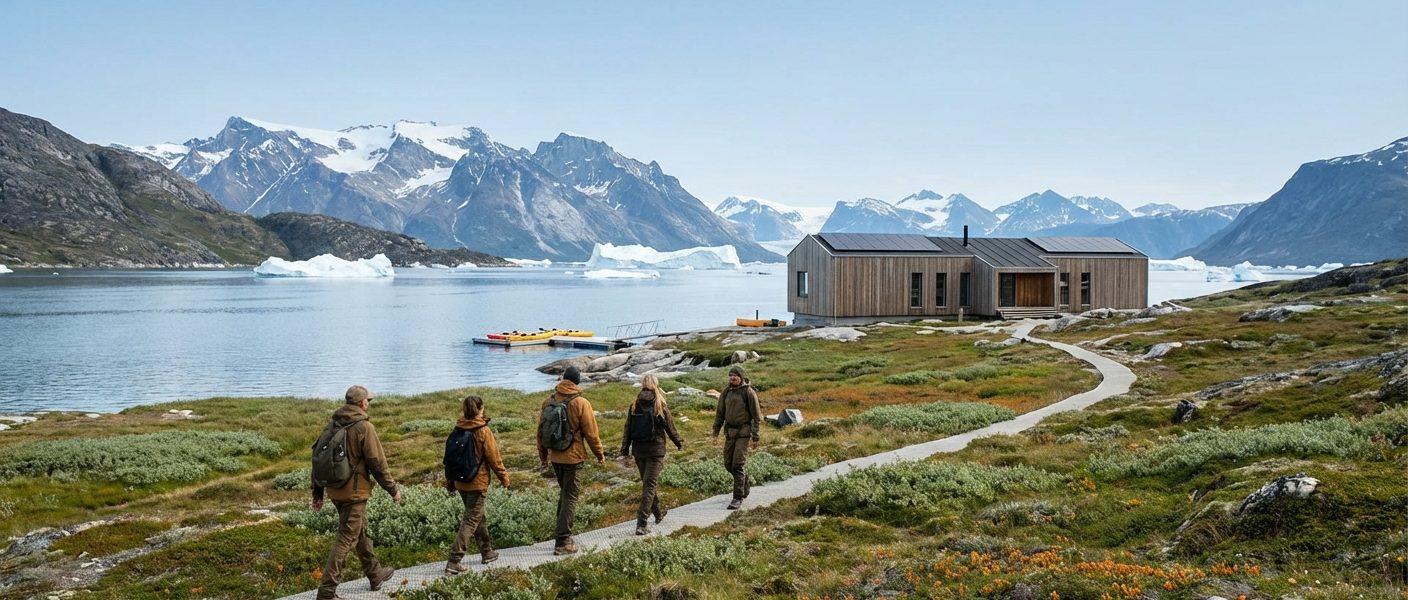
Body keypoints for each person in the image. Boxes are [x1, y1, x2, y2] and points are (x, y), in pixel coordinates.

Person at [312, 385, 400, 600]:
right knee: (345, 539)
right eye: (367, 400)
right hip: (354, 493)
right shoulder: (363, 427)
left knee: (360, 533)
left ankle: (374, 574)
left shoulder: (333, 423)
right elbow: (377, 463)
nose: (368, 402)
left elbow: (317, 459)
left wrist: (318, 492)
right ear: (362, 403)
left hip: (335, 490)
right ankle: (326, 592)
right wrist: (393, 490)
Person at [536, 366, 605, 555]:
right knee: (570, 497)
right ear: (578, 381)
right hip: (573, 457)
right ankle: (563, 541)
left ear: (563, 379)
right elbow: (592, 434)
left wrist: (543, 456)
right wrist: (599, 454)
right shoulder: (581, 403)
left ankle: (560, 535)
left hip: (555, 457)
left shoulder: (548, 401)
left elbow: (540, 432)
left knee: (565, 494)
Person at [443, 395, 511, 573]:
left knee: (477, 516)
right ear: (480, 409)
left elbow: (450, 460)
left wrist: (450, 481)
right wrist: (504, 477)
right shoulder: (483, 430)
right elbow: (494, 458)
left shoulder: (457, 429)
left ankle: (487, 552)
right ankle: (454, 560)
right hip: (476, 483)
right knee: (471, 519)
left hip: (460, 482)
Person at [619, 374, 684, 535]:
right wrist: (679, 442)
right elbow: (670, 426)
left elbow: (627, 428)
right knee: (649, 485)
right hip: (656, 451)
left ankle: (659, 513)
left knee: (648, 484)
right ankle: (641, 523)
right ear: (656, 384)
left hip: (639, 451)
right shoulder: (659, 403)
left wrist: (624, 450)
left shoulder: (634, 403)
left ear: (643, 385)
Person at [711, 365, 761, 510]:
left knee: (738, 464)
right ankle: (744, 482)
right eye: (730, 375)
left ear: (741, 377)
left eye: (735, 375)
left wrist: (755, 436)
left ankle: (737, 497)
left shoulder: (748, 392)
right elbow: (720, 414)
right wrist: (715, 433)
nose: (732, 378)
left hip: (744, 433)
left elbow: (756, 416)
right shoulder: (726, 392)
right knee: (728, 464)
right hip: (730, 433)